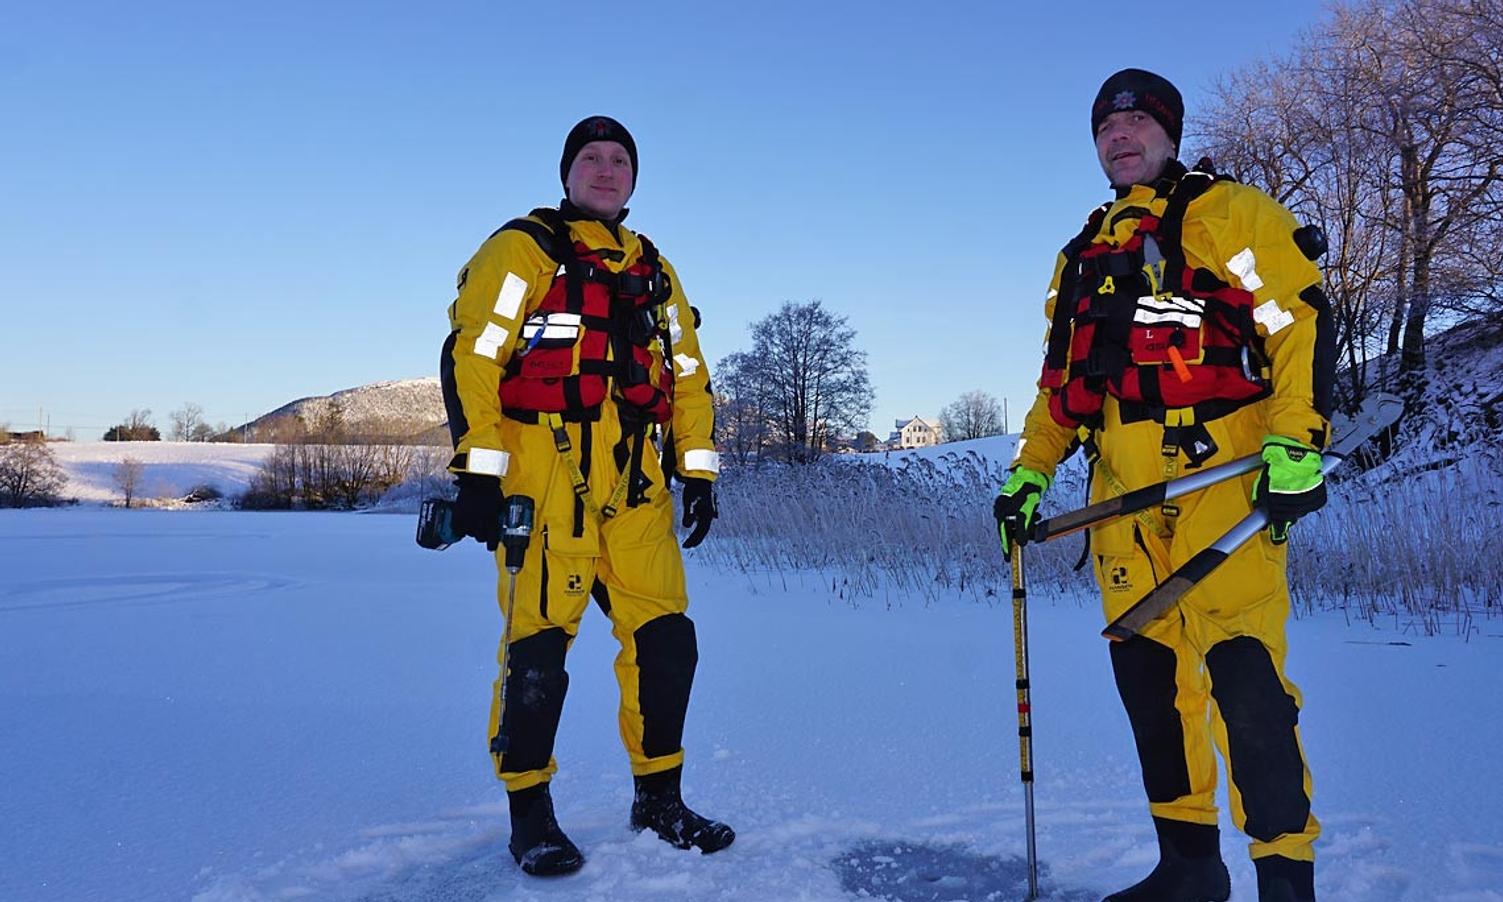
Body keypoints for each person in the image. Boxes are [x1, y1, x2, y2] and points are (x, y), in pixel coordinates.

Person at [994, 70, 1335, 902]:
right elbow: (1059, 387)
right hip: (1121, 493)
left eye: (1138, 120)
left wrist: (1298, 442)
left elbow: (1298, 321)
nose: (1120, 135)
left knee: (1246, 686)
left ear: (1170, 132)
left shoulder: (1231, 214)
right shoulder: (1081, 254)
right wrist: (1030, 472)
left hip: (1222, 479)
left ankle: (1285, 883)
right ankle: (1187, 868)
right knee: (1150, 685)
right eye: (1105, 127)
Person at [441, 115, 733, 877]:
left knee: (668, 645)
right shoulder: (522, 250)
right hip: (545, 483)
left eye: (620, 160)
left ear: (633, 178)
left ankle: (659, 798)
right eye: (591, 159)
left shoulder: (656, 270)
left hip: (636, 493)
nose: (606, 171)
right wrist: (477, 468)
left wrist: (696, 469)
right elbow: (473, 356)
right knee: (537, 652)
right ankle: (529, 812)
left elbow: (690, 375)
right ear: (567, 173)